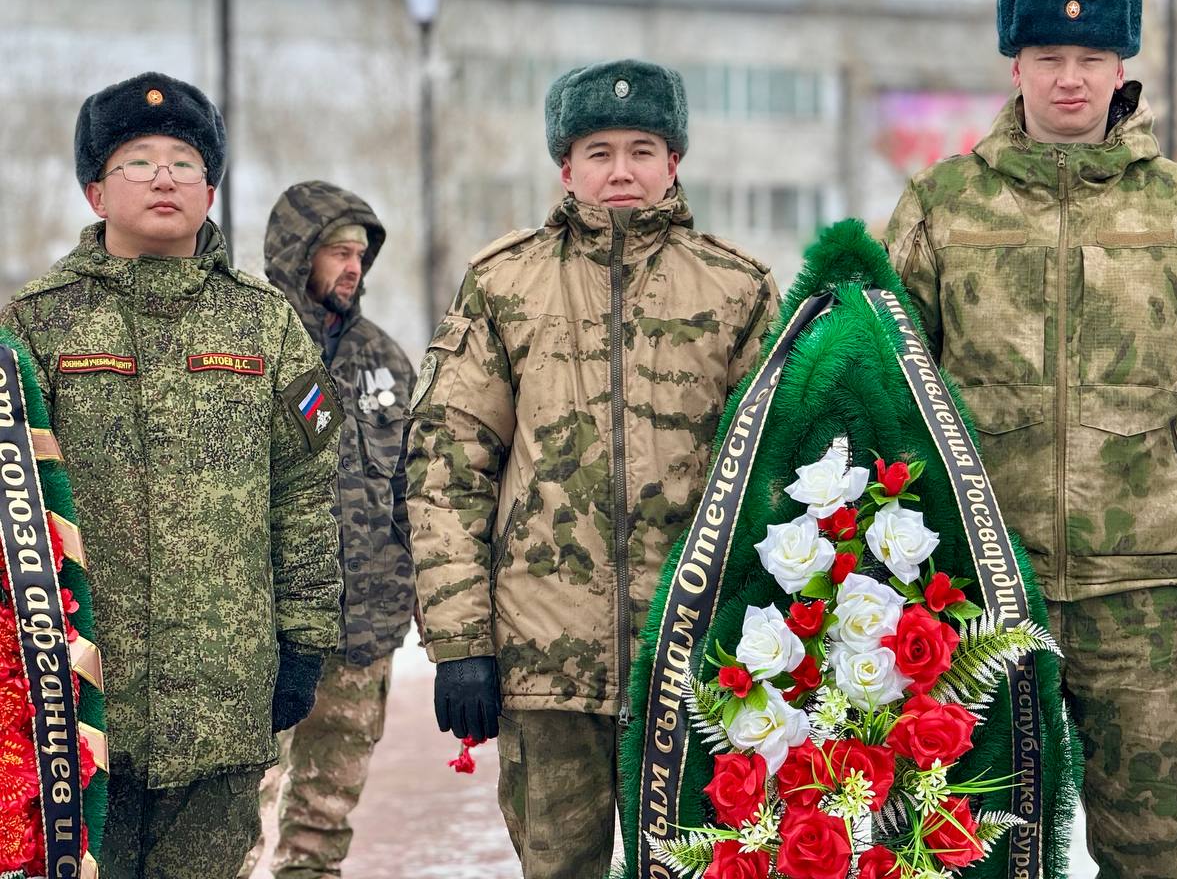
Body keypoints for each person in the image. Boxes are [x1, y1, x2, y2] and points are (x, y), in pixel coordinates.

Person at [884, 0, 1177, 879]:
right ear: (1013, 66)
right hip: (978, 594)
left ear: (1121, 68)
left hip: (1144, 601)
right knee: (964, 849)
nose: (1071, 77)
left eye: (1091, 57)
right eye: (1049, 54)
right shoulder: (944, 205)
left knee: (1150, 850)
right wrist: (894, 568)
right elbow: (891, 390)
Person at [407, 58, 780, 878]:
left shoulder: (737, 289)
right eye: (599, 150)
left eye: (642, 148)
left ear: (673, 162)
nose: (622, 170)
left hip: (693, 661)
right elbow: (446, 466)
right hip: (545, 664)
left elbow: (776, 476)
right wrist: (460, 642)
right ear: (565, 166)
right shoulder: (504, 284)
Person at [0, 72, 342, 878]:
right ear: (94, 192)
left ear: (212, 188)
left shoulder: (264, 323)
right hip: (76, 710)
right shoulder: (34, 325)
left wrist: (305, 644)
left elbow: (304, 491)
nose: (164, 177)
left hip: (225, 699)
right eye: (138, 162)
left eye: (184, 163)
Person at [240, 181, 416, 878]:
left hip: (362, 632)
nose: (353, 267)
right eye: (339, 251)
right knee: (233, 823)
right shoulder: (246, 341)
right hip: (264, 630)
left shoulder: (384, 359)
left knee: (322, 823)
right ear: (297, 253)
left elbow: (413, 488)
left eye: (362, 255)